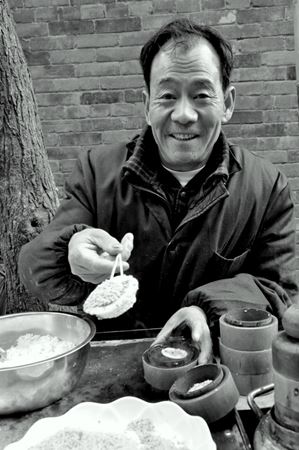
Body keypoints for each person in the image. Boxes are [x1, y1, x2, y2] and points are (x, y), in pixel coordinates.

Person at [18, 18, 298, 364]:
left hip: (215, 370)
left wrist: (203, 308)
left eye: (201, 95)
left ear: (227, 102)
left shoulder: (266, 187)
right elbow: (33, 268)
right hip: (115, 375)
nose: (184, 114)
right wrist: (69, 253)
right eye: (167, 96)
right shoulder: (97, 171)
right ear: (147, 103)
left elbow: (277, 289)